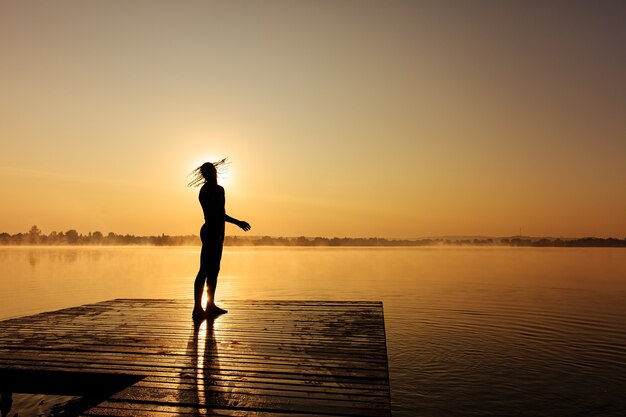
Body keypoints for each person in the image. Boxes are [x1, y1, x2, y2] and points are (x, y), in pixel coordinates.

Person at [188, 159, 251, 320]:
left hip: (219, 232)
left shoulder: (220, 189)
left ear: (215, 172)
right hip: (209, 230)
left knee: (215, 269)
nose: (211, 175)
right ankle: (197, 308)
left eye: (212, 171)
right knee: (204, 269)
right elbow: (216, 213)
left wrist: (224, 230)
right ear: (204, 175)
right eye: (207, 173)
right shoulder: (206, 191)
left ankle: (210, 305)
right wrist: (238, 222)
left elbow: (222, 212)